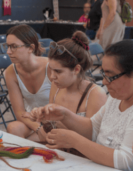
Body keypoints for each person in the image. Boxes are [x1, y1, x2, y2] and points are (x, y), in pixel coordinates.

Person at [30, 40, 133, 170]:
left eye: (111, 76)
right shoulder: (116, 99)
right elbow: (93, 128)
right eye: (103, 74)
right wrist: (64, 115)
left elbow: (127, 160)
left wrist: (75, 140)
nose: (105, 82)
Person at [23, 31, 107, 141]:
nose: (52, 77)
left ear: (76, 69)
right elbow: (53, 125)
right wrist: (41, 116)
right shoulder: (56, 86)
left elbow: (92, 137)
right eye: (51, 70)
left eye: (58, 72)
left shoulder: (95, 94)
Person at [4, 24, 52, 142]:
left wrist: (39, 120)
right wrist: (38, 127)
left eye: (14, 46)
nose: (8, 51)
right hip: (32, 120)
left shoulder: (50, 67)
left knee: (20, 140)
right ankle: (27, 156)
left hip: (54, 120)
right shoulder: (11, 72)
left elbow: (60, 106)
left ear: (30, 48)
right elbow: (19, 112)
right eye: (8, 46)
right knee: (13, 128)